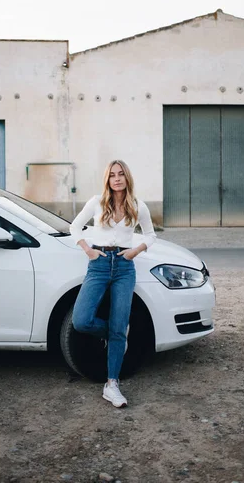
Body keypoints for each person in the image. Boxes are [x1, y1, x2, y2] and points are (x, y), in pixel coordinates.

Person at [69, 159, 156, 407]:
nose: (116, 179)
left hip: (124, 267)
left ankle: (112, 384)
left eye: (121, 174)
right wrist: (87, 249)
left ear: (127, 178)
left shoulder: (138, 206)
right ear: (107, 179)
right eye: (112, 175)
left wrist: (135, 251)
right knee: (81, 320)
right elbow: (74, 227)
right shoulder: (96, 202)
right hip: (99, 264)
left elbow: (151, 235)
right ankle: (116, 333)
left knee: (120, 323)